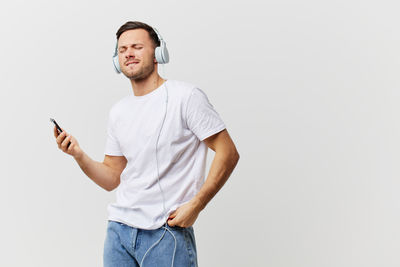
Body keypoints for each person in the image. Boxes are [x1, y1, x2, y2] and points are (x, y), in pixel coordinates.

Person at [53, 21, 240, 267]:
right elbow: (111, 178)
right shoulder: (119, 111)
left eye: (137, 47)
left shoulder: (186, 97)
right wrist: (78, 154)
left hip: (165, 232)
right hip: (119, 232)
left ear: (157, 53)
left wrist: (197, 204)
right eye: (122, 50)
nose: (128, 53)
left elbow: (228, 152)